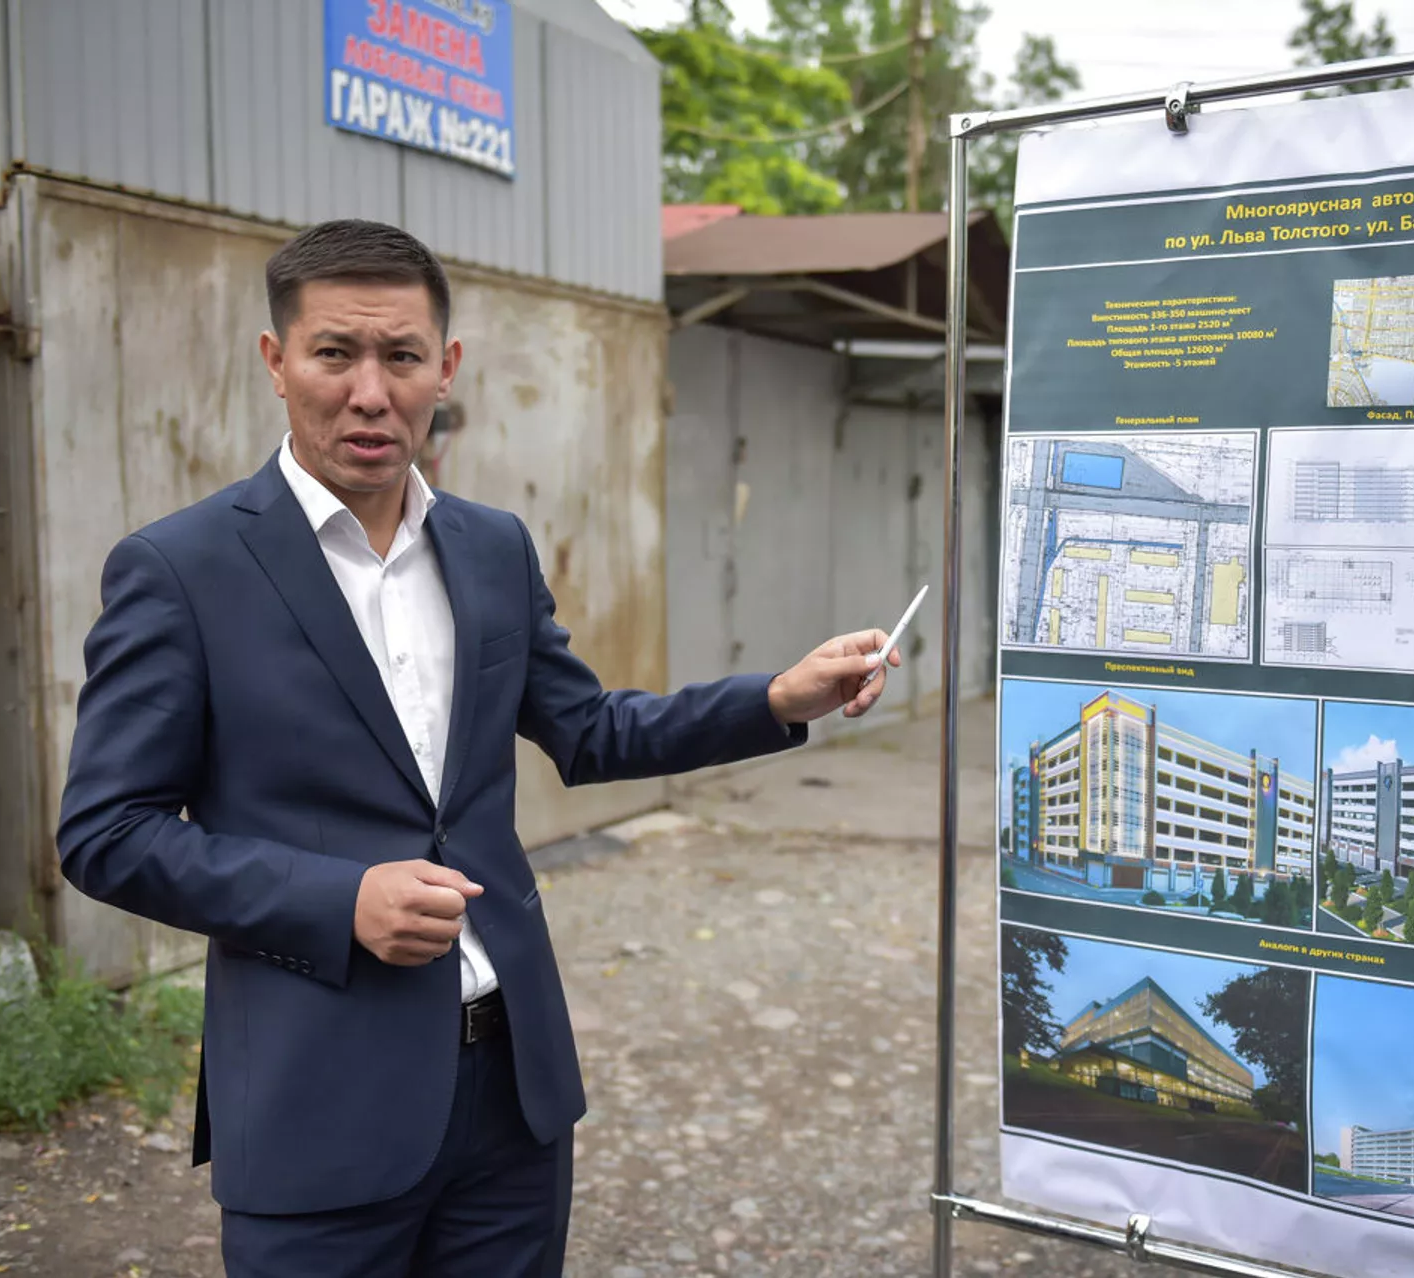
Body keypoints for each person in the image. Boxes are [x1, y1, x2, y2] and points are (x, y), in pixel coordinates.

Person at [55, 219, 900, 1278]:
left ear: (445, 367)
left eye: (402, 357)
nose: (371, 393)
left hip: (512, 1094)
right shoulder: (181, 569)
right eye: (334, 354)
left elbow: (589, 730)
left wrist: (776, 698)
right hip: (319, 1101)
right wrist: (339, 898)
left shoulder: (491, 546)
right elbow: (106, 833)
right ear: (276, 361)